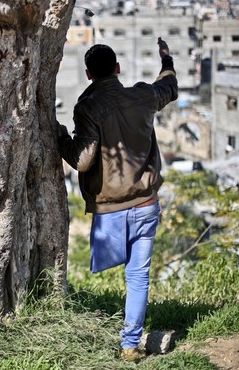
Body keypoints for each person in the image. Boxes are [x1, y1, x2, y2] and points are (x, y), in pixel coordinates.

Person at [56, 38, 177, 362]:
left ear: (88, 74)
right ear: (117, 69)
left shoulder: (88, 106)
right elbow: (169, 86)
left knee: (106, 269)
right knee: (138, 276)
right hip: (146, 203)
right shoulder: (141, 95)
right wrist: (166, 60)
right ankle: (130, 344)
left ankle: (98, 329)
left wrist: (59, 135)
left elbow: (82, 160)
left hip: (111, 209)